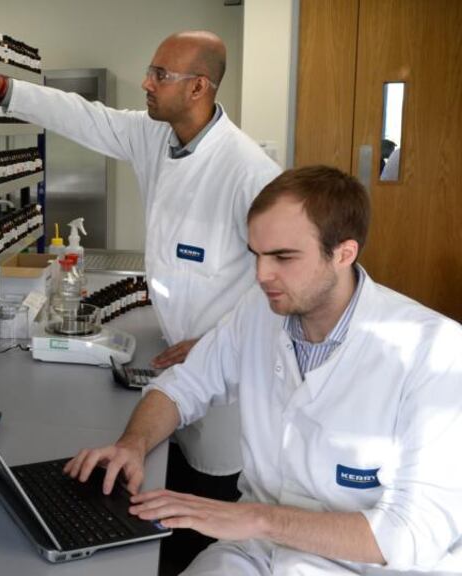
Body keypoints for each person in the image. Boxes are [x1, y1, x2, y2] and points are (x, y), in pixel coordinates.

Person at [0, 31, 281, 569]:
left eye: (160, 76)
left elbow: (281, 282)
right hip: (171, 357)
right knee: (166, 483)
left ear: (198, 87)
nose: (147, 82)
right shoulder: (156, 136)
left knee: (207, 506)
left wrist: (219, 342)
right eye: (150, 70)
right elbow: (84, 115)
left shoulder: (249, 172)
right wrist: (3, 88)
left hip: (225, 377)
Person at [64, 166, 462, 574]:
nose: (260, 275)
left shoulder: (438, 352)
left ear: (344, 253)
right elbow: (182, 387)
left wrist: (257, 517)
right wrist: (133, 444)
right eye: (256, 254)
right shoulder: (259, 312)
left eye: (282, 257)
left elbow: (412, 534)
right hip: (254, 554)